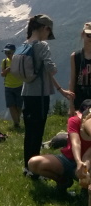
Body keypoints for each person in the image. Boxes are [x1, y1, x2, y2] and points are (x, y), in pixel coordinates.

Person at [20, 15, 76, 175]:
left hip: (26, 93)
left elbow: (41, 73)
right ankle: (34, 169)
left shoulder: (25, 44)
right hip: (40, 95)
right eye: (49, 31)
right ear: (45, 28)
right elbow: (50, 69)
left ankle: (27, 166)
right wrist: (54, 66)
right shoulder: (42, 46)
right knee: (37, 132)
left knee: (29, 131)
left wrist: (60, 90)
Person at [25, 101, 90, 206]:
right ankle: (63, 181)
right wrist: (78, 161)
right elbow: (76, 142)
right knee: (33, 163)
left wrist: (84, 166)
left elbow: (89, 154)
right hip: (67, 159)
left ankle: (85, 192)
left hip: (86, 165)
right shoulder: (74, 120)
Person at [70, 24, 91, 115]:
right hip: (80, 97)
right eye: (88, 35)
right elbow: (72, 80)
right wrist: (71, 105)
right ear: (82, 34)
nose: (90, 38)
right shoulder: (75, 56)